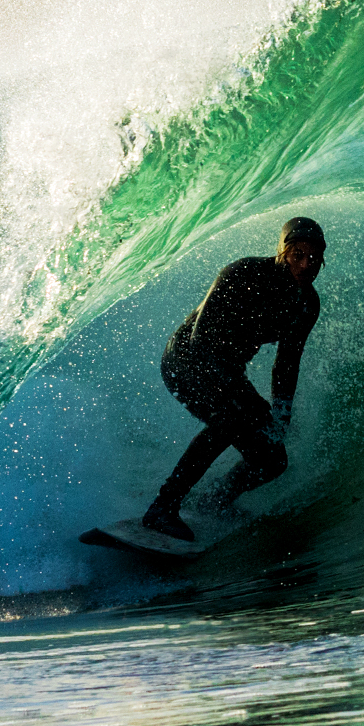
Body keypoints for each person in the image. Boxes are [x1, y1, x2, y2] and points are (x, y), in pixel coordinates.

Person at [141, 217, 325, 541]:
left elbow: (286, 364)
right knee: (230, 418)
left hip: (227, 372)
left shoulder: (306, 305)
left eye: (314, 257)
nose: (307, 264)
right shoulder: (243, 274)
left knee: (272, 458)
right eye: (298, 254)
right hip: (186, 360)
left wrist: (281, 413)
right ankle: (162, 508)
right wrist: (242, 399)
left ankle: (214, 501)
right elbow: (199, 341)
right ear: (283, 252)